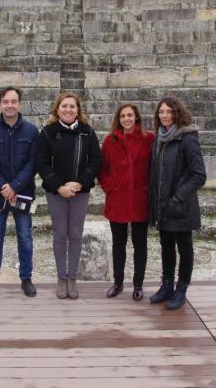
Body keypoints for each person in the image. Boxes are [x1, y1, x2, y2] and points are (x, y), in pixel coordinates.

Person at [36, 92, 102, 300]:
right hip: (56, 193)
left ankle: (72, 277)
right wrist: (59, 186)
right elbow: (42, 162)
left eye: (72, 107)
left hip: (80, 192)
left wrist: (80, 182)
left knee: (75, 234)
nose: (68, 110)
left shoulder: (87, 132)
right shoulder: (47, 133)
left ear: (78, 110)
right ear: (57, 109)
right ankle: (61, 277)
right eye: (64, 106)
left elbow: (95, 161)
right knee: (60, 234)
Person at [0, 86, 39, 298]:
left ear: (20, 104)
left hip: (23, 194)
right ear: (0, 104)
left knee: (25, 237)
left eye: (14, 101)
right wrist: (3, 187)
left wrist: (15, 186)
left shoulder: (32, 131)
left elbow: (33, 163)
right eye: (6, 101)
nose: (10, 105)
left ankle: (26, 278)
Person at [148, 96, 206, 310]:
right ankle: (166, 286)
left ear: (177, 113)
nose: (164, 115)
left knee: (184, 248)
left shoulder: (187, 137)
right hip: (163, 206)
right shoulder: (159, 138)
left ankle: (181, 289)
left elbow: (199, 175)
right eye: (161, 112)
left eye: (169, 111)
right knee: (166, 248)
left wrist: (178, 198)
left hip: (180, 206)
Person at [98, 103, 155, 301]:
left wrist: (149, 189)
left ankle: (138, 284)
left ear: (137, 118)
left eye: (130, 115)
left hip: (140, 199)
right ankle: (118, 282)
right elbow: (102, 169)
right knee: (118, 243)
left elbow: (154, 168)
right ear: (118, 119)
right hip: (118, 199)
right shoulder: (109, 141)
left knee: (140, 244)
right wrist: (110, 188)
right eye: (123, 116)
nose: (126, 119)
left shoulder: (149, 139)